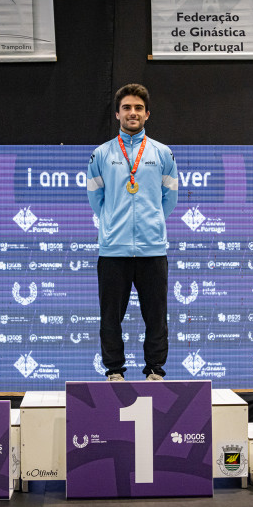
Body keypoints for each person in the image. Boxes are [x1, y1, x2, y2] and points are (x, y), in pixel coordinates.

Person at [86, 83, 179, 381]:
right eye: (127, 107)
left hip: (153, 249)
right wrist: (114, 224)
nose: (132, 113)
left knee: (156, 317)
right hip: (113, 250)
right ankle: (114, 370)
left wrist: (152, 223)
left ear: (147, 114)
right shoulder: (101, 154)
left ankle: (155, 370)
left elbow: (170, 198)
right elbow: (96, 201)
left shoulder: (163, 153)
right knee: (111, 318)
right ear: (117, 114)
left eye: (138, 108)